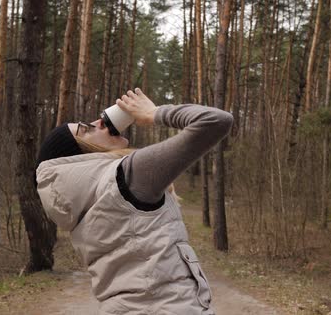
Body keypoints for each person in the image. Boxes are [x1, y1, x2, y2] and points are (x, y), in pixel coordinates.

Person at [35, 88, 233, 314]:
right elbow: (216, 121)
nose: (99, 122)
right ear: (81, 154)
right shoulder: (127, 176)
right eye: (85, 129)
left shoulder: (82, 204)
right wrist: (155, 112)